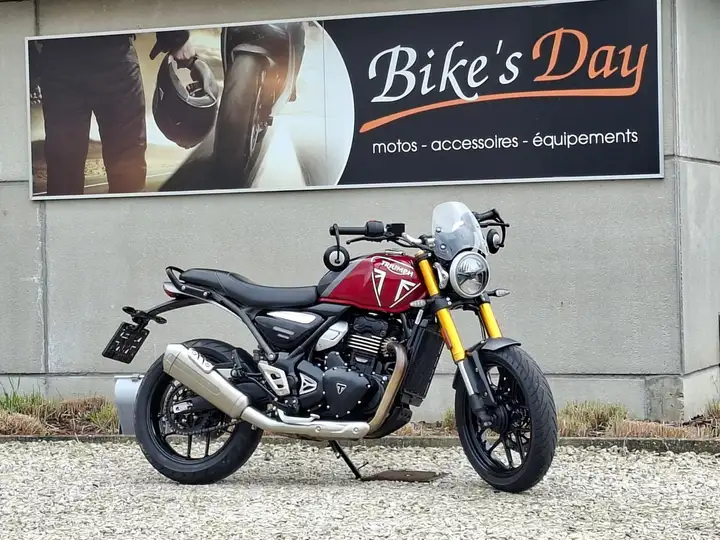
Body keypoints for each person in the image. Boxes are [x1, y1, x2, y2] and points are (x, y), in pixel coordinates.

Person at [28, 30, 195, 196]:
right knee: (126, 172)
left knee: (65, 173)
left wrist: (32, 65)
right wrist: (176, 38)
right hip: (110, 54)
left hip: (63, 59)